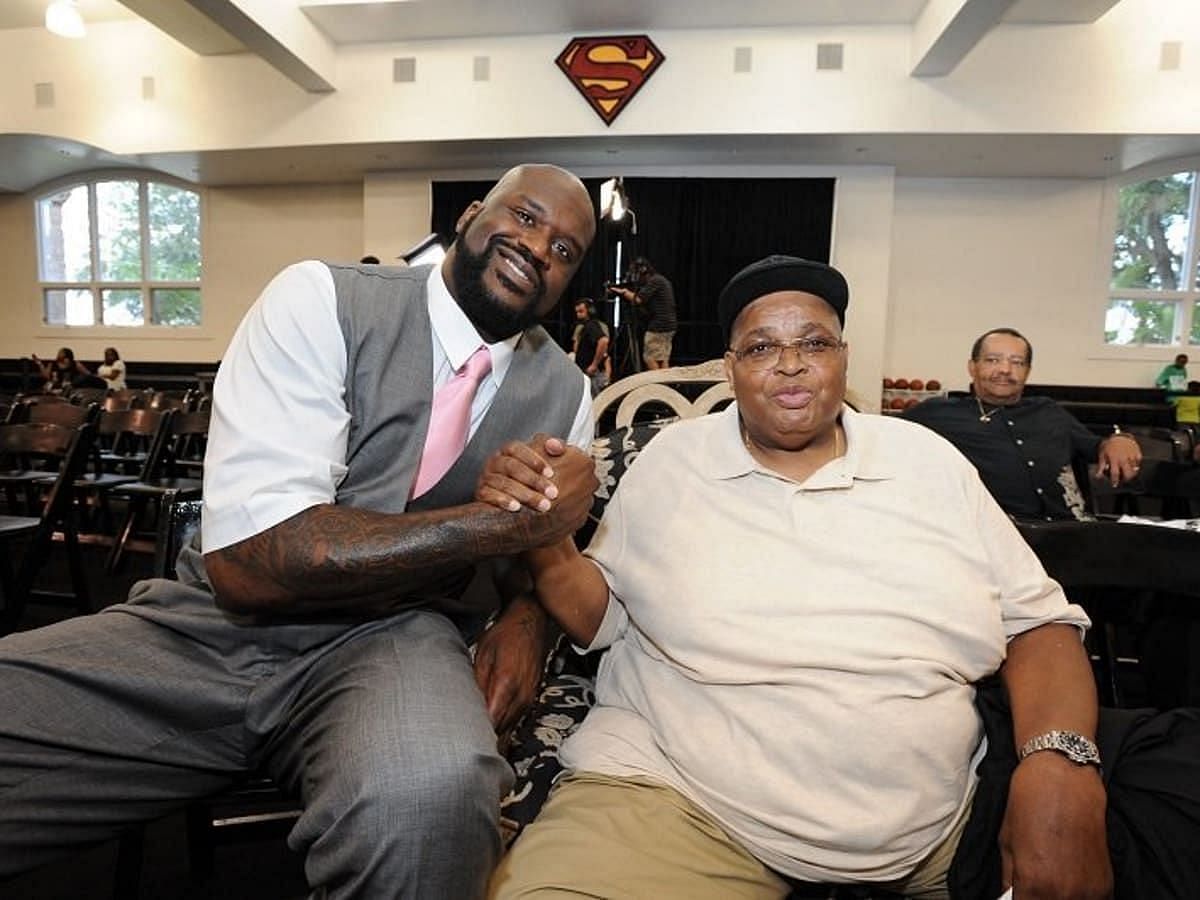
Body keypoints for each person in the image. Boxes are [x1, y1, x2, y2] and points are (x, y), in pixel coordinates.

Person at [479, 255, 1200, 900]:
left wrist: (1059, 769)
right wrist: (546, 539)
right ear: (731, 367)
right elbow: (597, 620)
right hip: (682, 805)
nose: (789, 365)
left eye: (813, 343)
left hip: (945, 830)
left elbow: (1038, 623)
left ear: (844, 359)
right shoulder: (671, 463)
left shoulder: (928, 460)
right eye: (761, 347)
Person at [0, 163, 599, 899]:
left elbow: (544, 556)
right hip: (212, 628)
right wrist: (490, 526)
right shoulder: (321, 298)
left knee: (430, 795)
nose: (540, 248)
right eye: (526, 217)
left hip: (398, 643)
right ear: (473, 214)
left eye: (566, 250)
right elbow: (253, 565)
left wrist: (528, 620)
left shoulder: (568, 392)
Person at [901, 328, 1142, 520]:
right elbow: (880, 437)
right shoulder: (937, 413)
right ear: (972, 367)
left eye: (1017, 362)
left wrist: (1120, 439)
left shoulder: (1048, 410)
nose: (1005, 370)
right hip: (993, 538)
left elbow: (1097, 446)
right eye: (993, 360)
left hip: (1069, 530)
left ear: (1027, 371)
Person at [608, 257, 677, 370]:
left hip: (659, 326)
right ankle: (664, 385)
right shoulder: (660, 280)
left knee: (650, 358)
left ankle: (656, 384)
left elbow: (638, 299)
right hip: (669, 325)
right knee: (662, 358)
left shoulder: (654, 281)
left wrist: (623, 292)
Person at [570, 298, 611, 396]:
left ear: (590, 311)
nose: (578, 315)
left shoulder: (591, 325)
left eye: (581, 311)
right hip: (588, 373)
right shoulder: (586, 326)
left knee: (594, 404)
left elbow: (603, 341)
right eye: (577, 312)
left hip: (592, 375)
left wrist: (594, 365)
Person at [31, 346, 97, 394]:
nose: (58, 353)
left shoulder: (75, 364)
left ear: (67, 355)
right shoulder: (52, 364)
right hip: (54, 387)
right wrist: (39, 364)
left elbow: (87, 374)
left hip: (70, 388)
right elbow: (46, 376)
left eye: (61, 352)